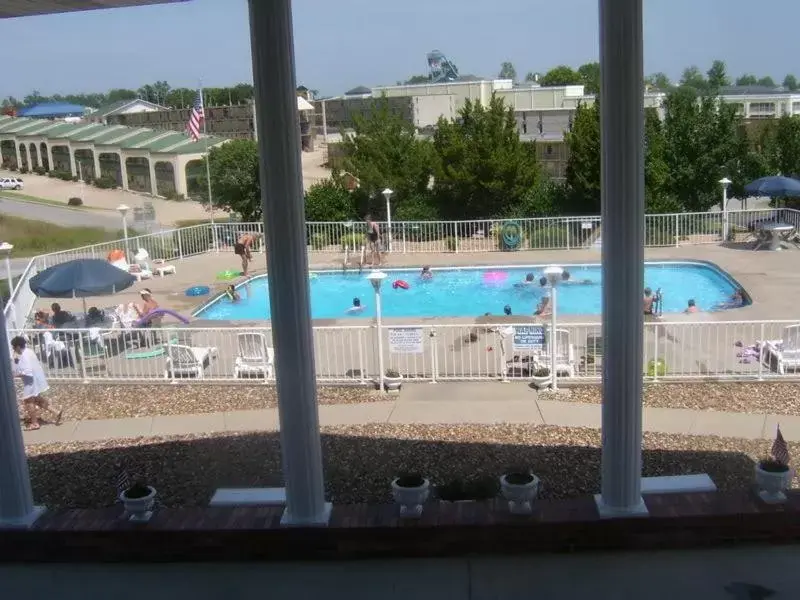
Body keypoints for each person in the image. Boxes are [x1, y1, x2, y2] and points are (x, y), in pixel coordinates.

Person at [11, 336, 62, 431]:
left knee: (28, 402)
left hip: (30, 382)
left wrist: (15, 375)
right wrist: (15, 358)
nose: (13, 348)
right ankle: (56, 412)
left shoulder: (23, 355)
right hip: (37, 380)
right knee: (38, 400)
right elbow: (18, 363)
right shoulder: (28, 351)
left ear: (17, 346)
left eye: (13, 347)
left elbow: (27, 371)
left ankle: (34, 423)